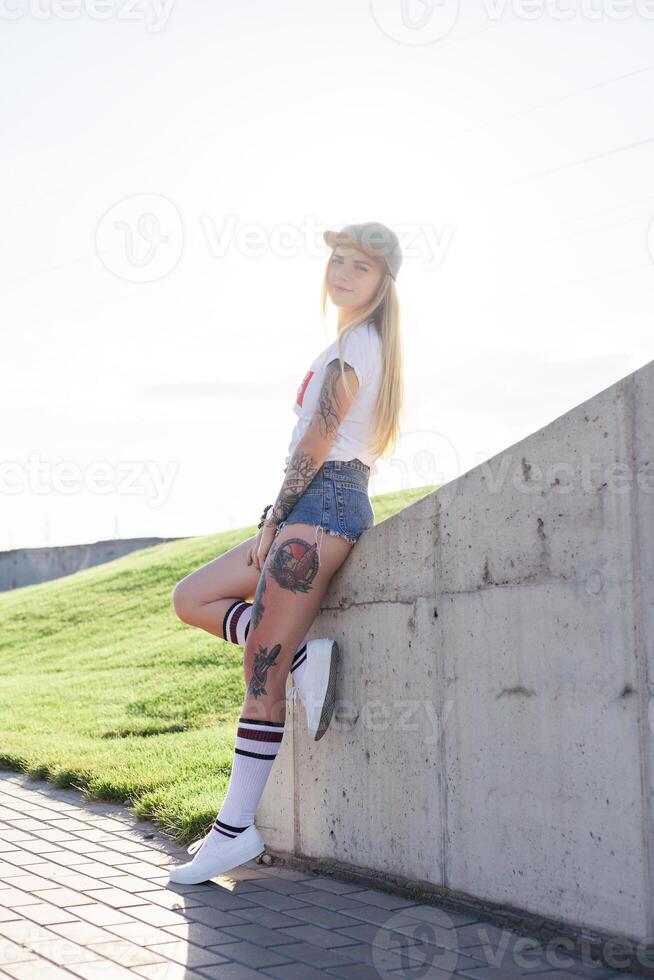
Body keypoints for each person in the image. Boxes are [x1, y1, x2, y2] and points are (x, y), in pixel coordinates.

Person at [168, 222, 405, 883]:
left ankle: (234, 831)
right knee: (191, 597)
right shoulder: (349, 343)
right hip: (317, 506)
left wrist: (278, 513)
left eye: (360, 265)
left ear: (383, 282)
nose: (343, 271)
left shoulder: (358, 345)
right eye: (336, 259)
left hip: (318, 508)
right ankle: (303, 651)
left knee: (260, 680)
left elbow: (317, 443)